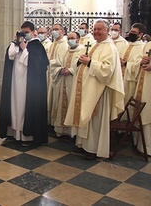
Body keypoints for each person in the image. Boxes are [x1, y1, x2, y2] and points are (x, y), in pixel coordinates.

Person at [64, 19, 124, 160]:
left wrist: (90, 62)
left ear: (107, 31)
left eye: (100, 29)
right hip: (88, 88)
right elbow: (85, 62)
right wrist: (81, 60)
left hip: (99, 91)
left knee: (95, 119)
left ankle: (93, 149)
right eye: (95, 29)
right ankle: (83, 145)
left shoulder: (109, 47)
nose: (96, 31)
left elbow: (107, 69)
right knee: (87, 117)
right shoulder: (96, 45)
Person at [0, 21, 49, 145]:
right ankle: (13, 133)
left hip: (29, 84)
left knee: (25, 107)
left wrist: (25, 49)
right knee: (14, 105)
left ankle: (28, 136)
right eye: (22, 32)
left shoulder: (36, 46)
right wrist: (15, 42)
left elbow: (37, 64)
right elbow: (10, 56)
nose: (24, 35)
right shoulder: (17, 44)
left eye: (27, 32)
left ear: (33, 32)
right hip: (15, 82)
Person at [50, 31, 82, 137]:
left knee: (72, 104)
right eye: (68, 38)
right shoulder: (64, 51)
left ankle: (71, 132)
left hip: (74, 82)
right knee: (60, 103)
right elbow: (56, 63)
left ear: (78, 39)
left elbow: (82, 66)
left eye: (72, 38)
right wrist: (60, 69)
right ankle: (60, 130)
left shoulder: (82, 51)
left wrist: (71, 71)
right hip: (63, 80)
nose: (70, 40)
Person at [47, 24, 69, 125]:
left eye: (57, 29)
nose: (54, 31)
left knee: (57, 99)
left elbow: (62, 61)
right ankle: (50, 121)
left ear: (62, 31)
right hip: (50, 73)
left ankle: (56, 123)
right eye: (53, 29)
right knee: (50, 97)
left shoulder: (65, 44)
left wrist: (49, 62)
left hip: (59, 75)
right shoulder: (53, 43)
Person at [133, 39, 151, 155]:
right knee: (144, 110)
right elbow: (137, 59)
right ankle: (142, 145)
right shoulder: (148, 45)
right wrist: (140, 61)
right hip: (143, 82)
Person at [120, 23, 145, 104]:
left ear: (140, 35)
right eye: (131, 31)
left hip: (131, 80)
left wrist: (126, 64)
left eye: (134, 32)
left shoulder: (143, 48)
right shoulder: (126, 45)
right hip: (120, 78)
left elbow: (139, 64)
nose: (131, 34)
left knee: (128, 102)